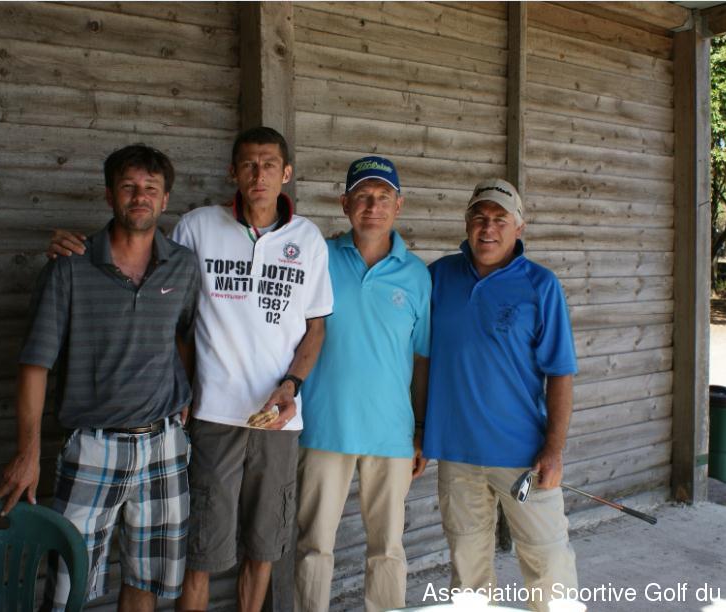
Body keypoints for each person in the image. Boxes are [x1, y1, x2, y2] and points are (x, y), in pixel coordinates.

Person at [48, 127, 333, 612]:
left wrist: (292, 385)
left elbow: (316, 328)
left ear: (286, 173)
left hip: (278, 419)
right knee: (200, 550)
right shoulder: (197, 227)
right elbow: (154, 282)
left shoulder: (307, 239)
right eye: (248, 164)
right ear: (232, 172)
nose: (259, 174)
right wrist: (72, 246)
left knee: (264, 546)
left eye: (269, 164)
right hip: (211, 414)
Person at [0, 144, 199, 612]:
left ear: (165, 200)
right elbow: (34, 366)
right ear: (109, 195)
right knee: (68, 586)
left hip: (164, 445)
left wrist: (184, 394)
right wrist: (28, 453)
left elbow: (183, 336)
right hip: (93, 447)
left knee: (147, 581)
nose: (140, 197)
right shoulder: (69, 267)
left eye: (151, 188)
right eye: (128, 187)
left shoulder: (183, 265)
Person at [422, 178, 579, 612]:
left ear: (519, 228)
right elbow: (418, 358)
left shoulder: (540, 285)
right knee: (468, 572)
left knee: (548, 563)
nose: (487, 228)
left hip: (524, 457)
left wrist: (554, 449)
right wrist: (419, 430)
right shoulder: (438, 277)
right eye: (479, 217)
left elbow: (560, 374)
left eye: (500, 219)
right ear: (466, 223)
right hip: (457, 454)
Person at [295, 157, 431, 612]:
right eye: (363, 197)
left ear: (399, 205)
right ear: (344, 203)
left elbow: (422, 359)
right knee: (313, 546)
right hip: (324, 427)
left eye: (383, 197)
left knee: (388, 549)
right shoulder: (320, 258)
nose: (373, 207)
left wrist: (420, 429)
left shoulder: (417, 275)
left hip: (391, 434)